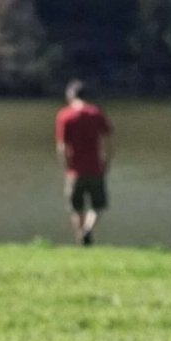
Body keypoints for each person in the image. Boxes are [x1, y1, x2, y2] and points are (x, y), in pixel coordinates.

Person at [54, 81, 112, 245]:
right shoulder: (96, 113)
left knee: (75, 207)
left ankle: (81, 238)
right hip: (95, 168)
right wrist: (106, 161)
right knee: (98, 205)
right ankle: (88, 229)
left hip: (75, 169)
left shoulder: (64, 115)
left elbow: (62, 146)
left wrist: (65, 165)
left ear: (70, 95)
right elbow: (107, 140)